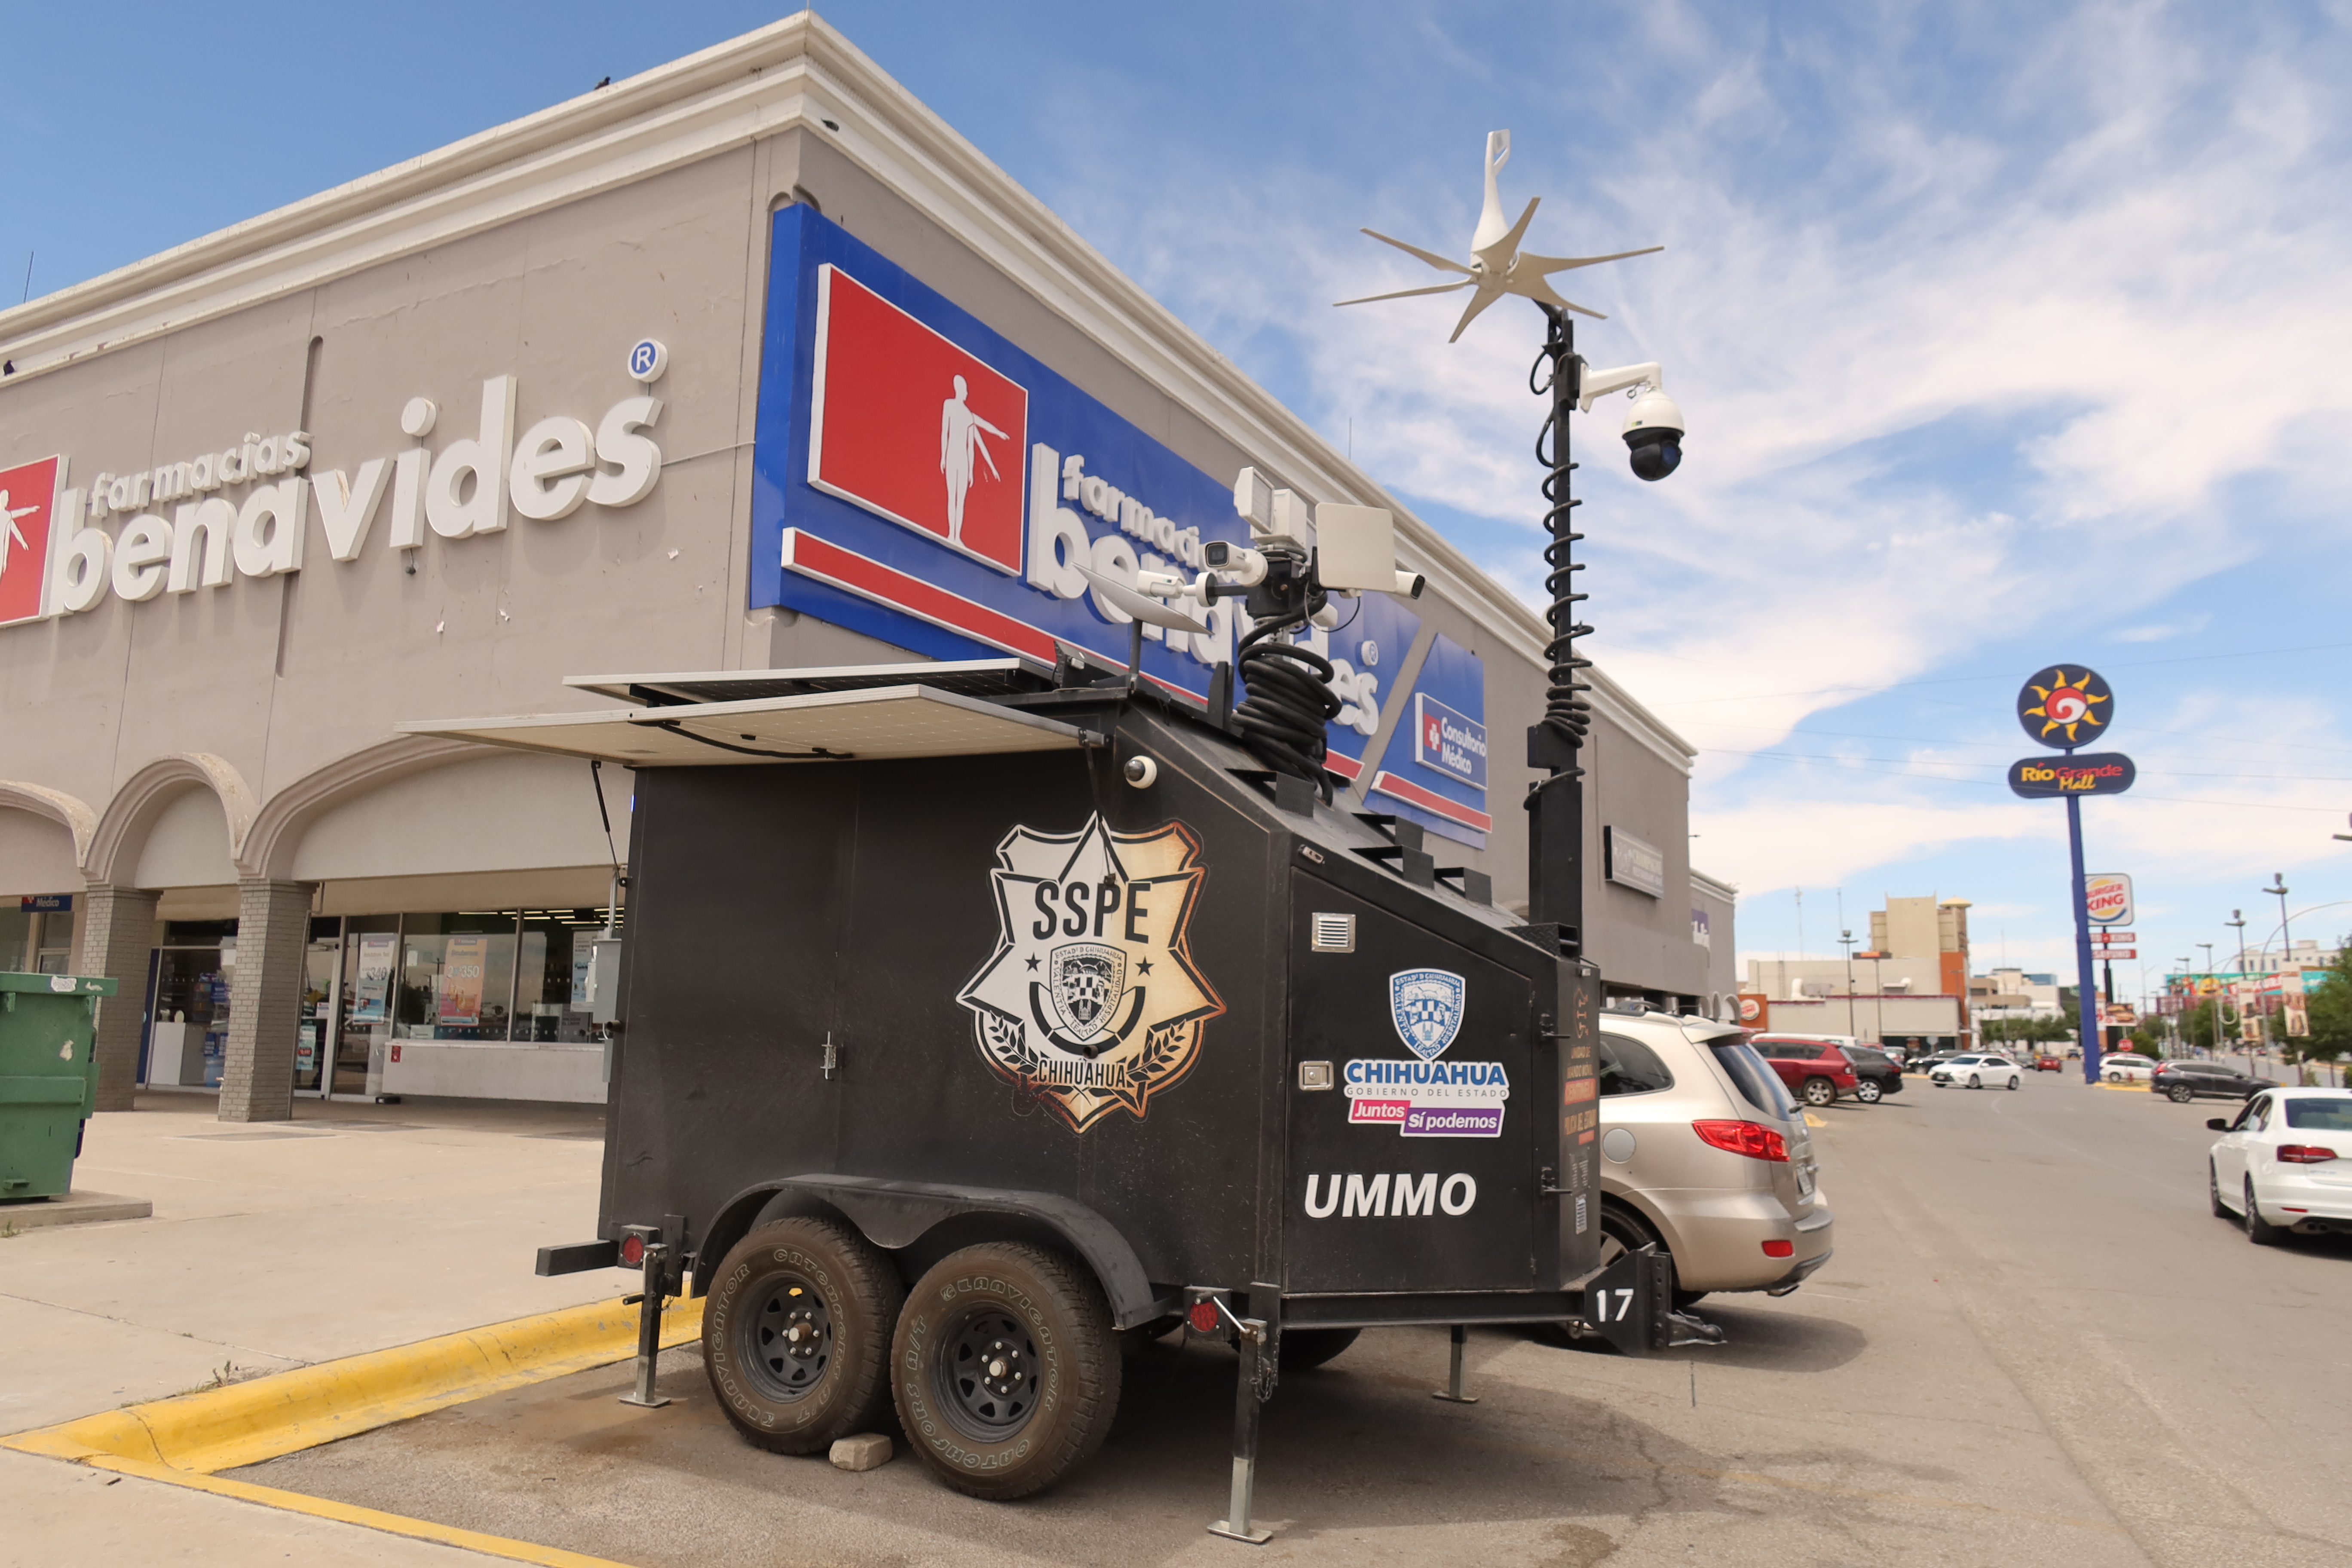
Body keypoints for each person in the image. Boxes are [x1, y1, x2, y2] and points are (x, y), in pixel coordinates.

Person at [939, 374, 1007, 546]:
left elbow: (973, 445)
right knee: (951, 497)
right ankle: (950, 534)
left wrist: (971, 471)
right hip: (952, 455)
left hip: (963, 460)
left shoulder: (968, 415)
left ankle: (958, 537)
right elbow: (944, 432)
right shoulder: (949, 405)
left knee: (960, 499)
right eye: (965, 390)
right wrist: (943, 456)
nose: (968, 394)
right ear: (959, 390)